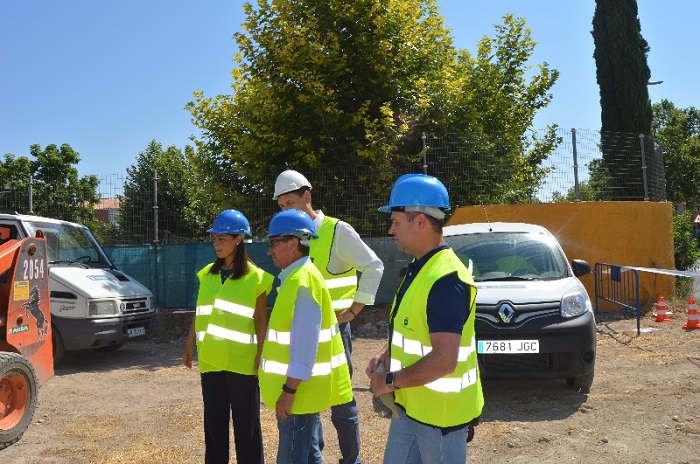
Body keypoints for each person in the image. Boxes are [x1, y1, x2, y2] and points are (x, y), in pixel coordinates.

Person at [366, 174, 484, 464]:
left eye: (396, 221)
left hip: (441, 418)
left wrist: (389, 381)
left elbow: (444, 360)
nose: (391, 230)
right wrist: (386, 351)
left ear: (419, 221)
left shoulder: (446, 279)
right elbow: (411, 326)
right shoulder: (421, 268)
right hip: (412, 406)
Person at [273, 170, 384, 464]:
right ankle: (315, 456)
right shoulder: (290, 238)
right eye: (281, 205)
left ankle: (351, 460)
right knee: (308, 397)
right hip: (305, 333)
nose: (286, 209)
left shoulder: (337, 231)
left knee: (341, 399)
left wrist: (353, 311)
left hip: (336, 332)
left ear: (307, 197)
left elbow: (374, 266)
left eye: (290, 202)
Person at [258, 209, 353, 464]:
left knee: (292, 457)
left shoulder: (302, 281)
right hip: (301, 394)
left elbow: (305, 345)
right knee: (309, 455)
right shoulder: (299, 278)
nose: (270, 251)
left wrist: (289, 390)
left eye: (274, 243)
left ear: (292, 243)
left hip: (297, 396)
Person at [183, 209, 273, 464]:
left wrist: (261, 353)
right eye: (215, 239)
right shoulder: (207, 275)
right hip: (210, 360)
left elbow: (260, 320)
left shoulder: (256, 278)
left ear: (239, 239)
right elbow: (200, 313)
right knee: (214, 424)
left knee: (247, 426)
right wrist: (189, 344)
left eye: (222, 239)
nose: (217, 244)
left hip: (242, 362)